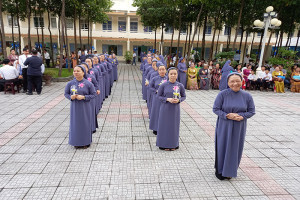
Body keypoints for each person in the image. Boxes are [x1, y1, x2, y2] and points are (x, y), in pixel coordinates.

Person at [213, 72, 255, 180]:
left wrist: (242, 116)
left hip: (239, 126)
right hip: (224, 125)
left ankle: (230, 170)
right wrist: (227, 115)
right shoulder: (222, 94)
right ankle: (221, 170)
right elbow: (216, 109)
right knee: (222, 146)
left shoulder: (247, 96)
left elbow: (251, 111)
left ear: (242, 81)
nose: (235, 83)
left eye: (238, 81)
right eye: (232, 81)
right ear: (228, 83)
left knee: (235, 147)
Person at [64, 66, 96, 149]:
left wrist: (84, 97)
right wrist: (71, 97)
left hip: (85, 107)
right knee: (75, 124)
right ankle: (76, 142)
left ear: (83, 72)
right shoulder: (70, 84)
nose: (76, 73)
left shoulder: (88, 84)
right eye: (74, 71)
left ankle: (85, 142)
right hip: (74, 107)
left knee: (85, 123)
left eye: (78, 71)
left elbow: (93, 94)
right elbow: (66, 94)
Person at [156, 67, 186, 151]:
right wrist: (167, 99)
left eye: (175, 74)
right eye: (171, 74)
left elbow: (184, 96)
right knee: (164, 126)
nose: (173, 75)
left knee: (174, 126)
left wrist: (179, 100)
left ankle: (173, 144)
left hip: (175, 109)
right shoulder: (163, 85)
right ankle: (163, 144)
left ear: (177, 75)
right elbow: (158, 96)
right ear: (168, 75)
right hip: (165, 108)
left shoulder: (180, 85)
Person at [149, 64, 168, 135]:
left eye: (163, 69)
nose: (162, 71)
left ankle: (164, 128)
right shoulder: (155, 78)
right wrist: (156, 91)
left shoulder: (168, 79)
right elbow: (150, 87)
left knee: (164, 113)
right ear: (158, 70)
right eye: (160, 69)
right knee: (156, 112)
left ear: (165, 70)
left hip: (165, 98)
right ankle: (155, 128)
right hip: (157, 98)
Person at [81, 63, 99, 133]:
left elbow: (96, 85)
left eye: (84, 67)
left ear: (87, 69)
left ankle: (91, 127)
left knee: (90, 112)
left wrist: (97, 90)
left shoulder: (90, 77)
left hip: (90, 98)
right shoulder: (75, 80)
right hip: (80, 99)